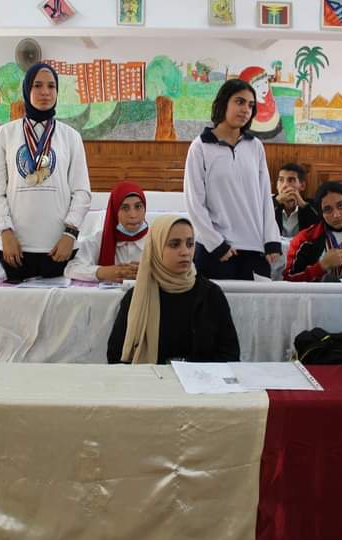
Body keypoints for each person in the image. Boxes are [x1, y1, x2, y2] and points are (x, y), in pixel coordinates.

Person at [0, 62, 91, 283]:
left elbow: (82, 192)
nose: (45, 92)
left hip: (59, 247)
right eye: (38, 85)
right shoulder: (5, 134)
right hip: (15, 248)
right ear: (27, 89)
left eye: (51, 86)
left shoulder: (71, 137)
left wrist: (70, 234)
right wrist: (5, 232)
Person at [184, 78, 281, 280]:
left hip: (254, 250)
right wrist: (216, 244)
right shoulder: (200, 147)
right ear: (223, 103)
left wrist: (271, 240)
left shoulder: (255, 146)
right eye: (239, 102)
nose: (246, 109)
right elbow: (195, 204)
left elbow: (265, 197)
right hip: (215, 252)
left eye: (251, 105)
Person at [107, 215, 240, 364]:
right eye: (174, 244)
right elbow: (116, 356)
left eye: (190, 244)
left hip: (201, 378)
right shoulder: (137, 297)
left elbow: (230, 354)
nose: (185, 252)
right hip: (149, 378)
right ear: (156, 248)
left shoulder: (211, 294)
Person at [64, 180, 147, 283]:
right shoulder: (100, 239)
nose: (133, 215)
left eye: (138, 206)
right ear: (115, 211)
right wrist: (104, 272)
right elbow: (71, 269)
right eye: (125, 208)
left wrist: (151, 272)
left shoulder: (156, 239)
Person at [273, 162, 319, 238]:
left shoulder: (312, 206)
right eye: (281, 180)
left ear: (302, 186)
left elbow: (319, 228)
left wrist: (303, 205)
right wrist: (276, 202)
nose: (284, 185)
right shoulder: (269, 203)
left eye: (291, 180)